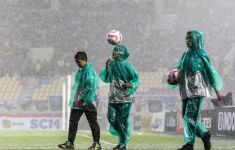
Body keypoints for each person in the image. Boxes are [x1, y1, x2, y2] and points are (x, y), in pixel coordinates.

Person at [168, 31, 223, 150]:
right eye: (186, 38)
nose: (187, 40)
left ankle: (189, 144)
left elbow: (209, 70)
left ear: (196, 40)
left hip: (197, 89)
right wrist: (173, 79)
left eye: (190, 38)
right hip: (186, 90)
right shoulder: (185, 55)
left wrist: (217, 89)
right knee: (187, 117)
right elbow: (179, 70)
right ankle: (204, 134)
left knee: (189, 117)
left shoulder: (201, 53)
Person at [99, 45, 140, 150]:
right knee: (111, 118)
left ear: (122, 53)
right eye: (114, 50)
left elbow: (137, 80)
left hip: (125, 98)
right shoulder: (112, 64)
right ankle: (124, 134)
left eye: (116, 50)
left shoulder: (128, 66)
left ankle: (122, 143)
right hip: (113, 97)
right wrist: (107, 67)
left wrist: (130, 85)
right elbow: (106, 78)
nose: (114, 52)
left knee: (121, 120)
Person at [58, 51, 101, 150]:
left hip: (90, 101)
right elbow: (78, 86)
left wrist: (80, 98)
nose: (77, 64)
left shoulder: (89, 72)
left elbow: (90, 87)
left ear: (85, 60)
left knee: (92, 122)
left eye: (78, 61)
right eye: (76, 62)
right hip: (80, 101)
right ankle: (70, 143)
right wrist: (76, 98)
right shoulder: (81, 71)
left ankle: (97, 144)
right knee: (73, 121)